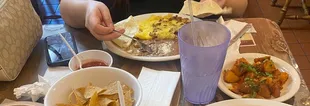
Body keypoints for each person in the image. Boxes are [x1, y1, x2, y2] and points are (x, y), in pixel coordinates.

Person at [60, 0, 247, 41]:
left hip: (198, 54)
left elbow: (240, 6)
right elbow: (66, 9)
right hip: (121, 55)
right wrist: (87, 9)